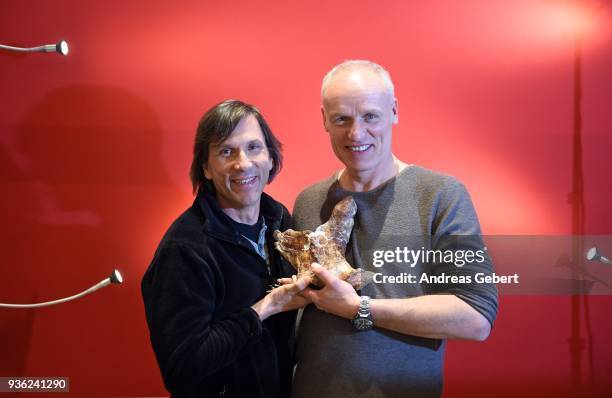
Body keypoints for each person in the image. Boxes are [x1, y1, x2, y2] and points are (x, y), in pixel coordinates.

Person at [290, 60, 499, 398]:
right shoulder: (308, 201)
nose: (356, 133)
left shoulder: (440, 195)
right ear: (325, 120)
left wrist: (360, 308)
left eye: (370, 116)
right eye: (342, 118)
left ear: (394, 111)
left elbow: (476, 317)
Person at [142, 100, 310, 398]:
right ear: (206, 167)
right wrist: (265, 308)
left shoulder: (279, 220)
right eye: (226, 151)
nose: (242, 163)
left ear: (271, 158)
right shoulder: (184, 249)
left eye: (254, 148)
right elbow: (182, 367)